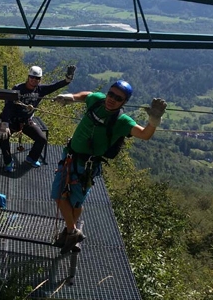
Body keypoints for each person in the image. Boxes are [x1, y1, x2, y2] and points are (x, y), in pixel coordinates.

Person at [49, 80, 167, 254]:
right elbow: (87, 95)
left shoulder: (122, 121)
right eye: (110, 94)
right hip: (69, 156)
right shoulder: (97, 101)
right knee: (59, 195)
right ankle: (72, 231)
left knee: (75, 202)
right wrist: (70, 97)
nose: (111, 99)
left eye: (118, 98)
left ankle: (70, 232)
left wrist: (154, 120)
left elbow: (144, 134)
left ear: (124, 102)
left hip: (87, 165)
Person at [0, 65, 76, 172]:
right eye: (32, 77)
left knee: (42, 139)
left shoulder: (40, 90)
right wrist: (5, 123)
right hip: (13, 120)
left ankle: (32, 158)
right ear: (28, 77)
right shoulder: (17, 89)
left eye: (37, 78)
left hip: (26, 121)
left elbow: (54, 86)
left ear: (40, 79)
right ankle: (8, 162)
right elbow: (8, 105)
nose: (34, 80)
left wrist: (67, 80)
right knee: (3, 137)